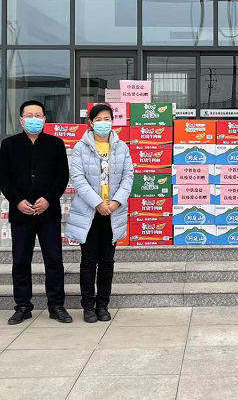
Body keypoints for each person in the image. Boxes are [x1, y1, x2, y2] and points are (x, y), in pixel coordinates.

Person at [0, 100, 72, 325]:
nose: (34, 119)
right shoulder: (9, 145)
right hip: (21, 213)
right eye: (29, 116)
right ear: (21, 120)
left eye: (38, 115)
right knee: (20, 261)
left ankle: (56, 305)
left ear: (44, 119)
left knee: (54, 260)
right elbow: (2, 177)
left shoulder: (55, 144)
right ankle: (22, 306)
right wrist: (18, 201)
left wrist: (48, 199)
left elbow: (62, 176)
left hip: (48, 213)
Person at [65, 104, 133, 323]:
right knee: (88, 260)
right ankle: (88, 305)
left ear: (113, 121)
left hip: (113, 212)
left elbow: (128, 177)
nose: (104, 123)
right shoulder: (80, 147)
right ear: (91, 123)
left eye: (107, 119)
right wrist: (97, 203)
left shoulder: (121, 147)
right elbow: (78, 178)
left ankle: (103, 304)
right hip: (89, 212)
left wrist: (116, 202)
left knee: (107, 261)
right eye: (99, 119)